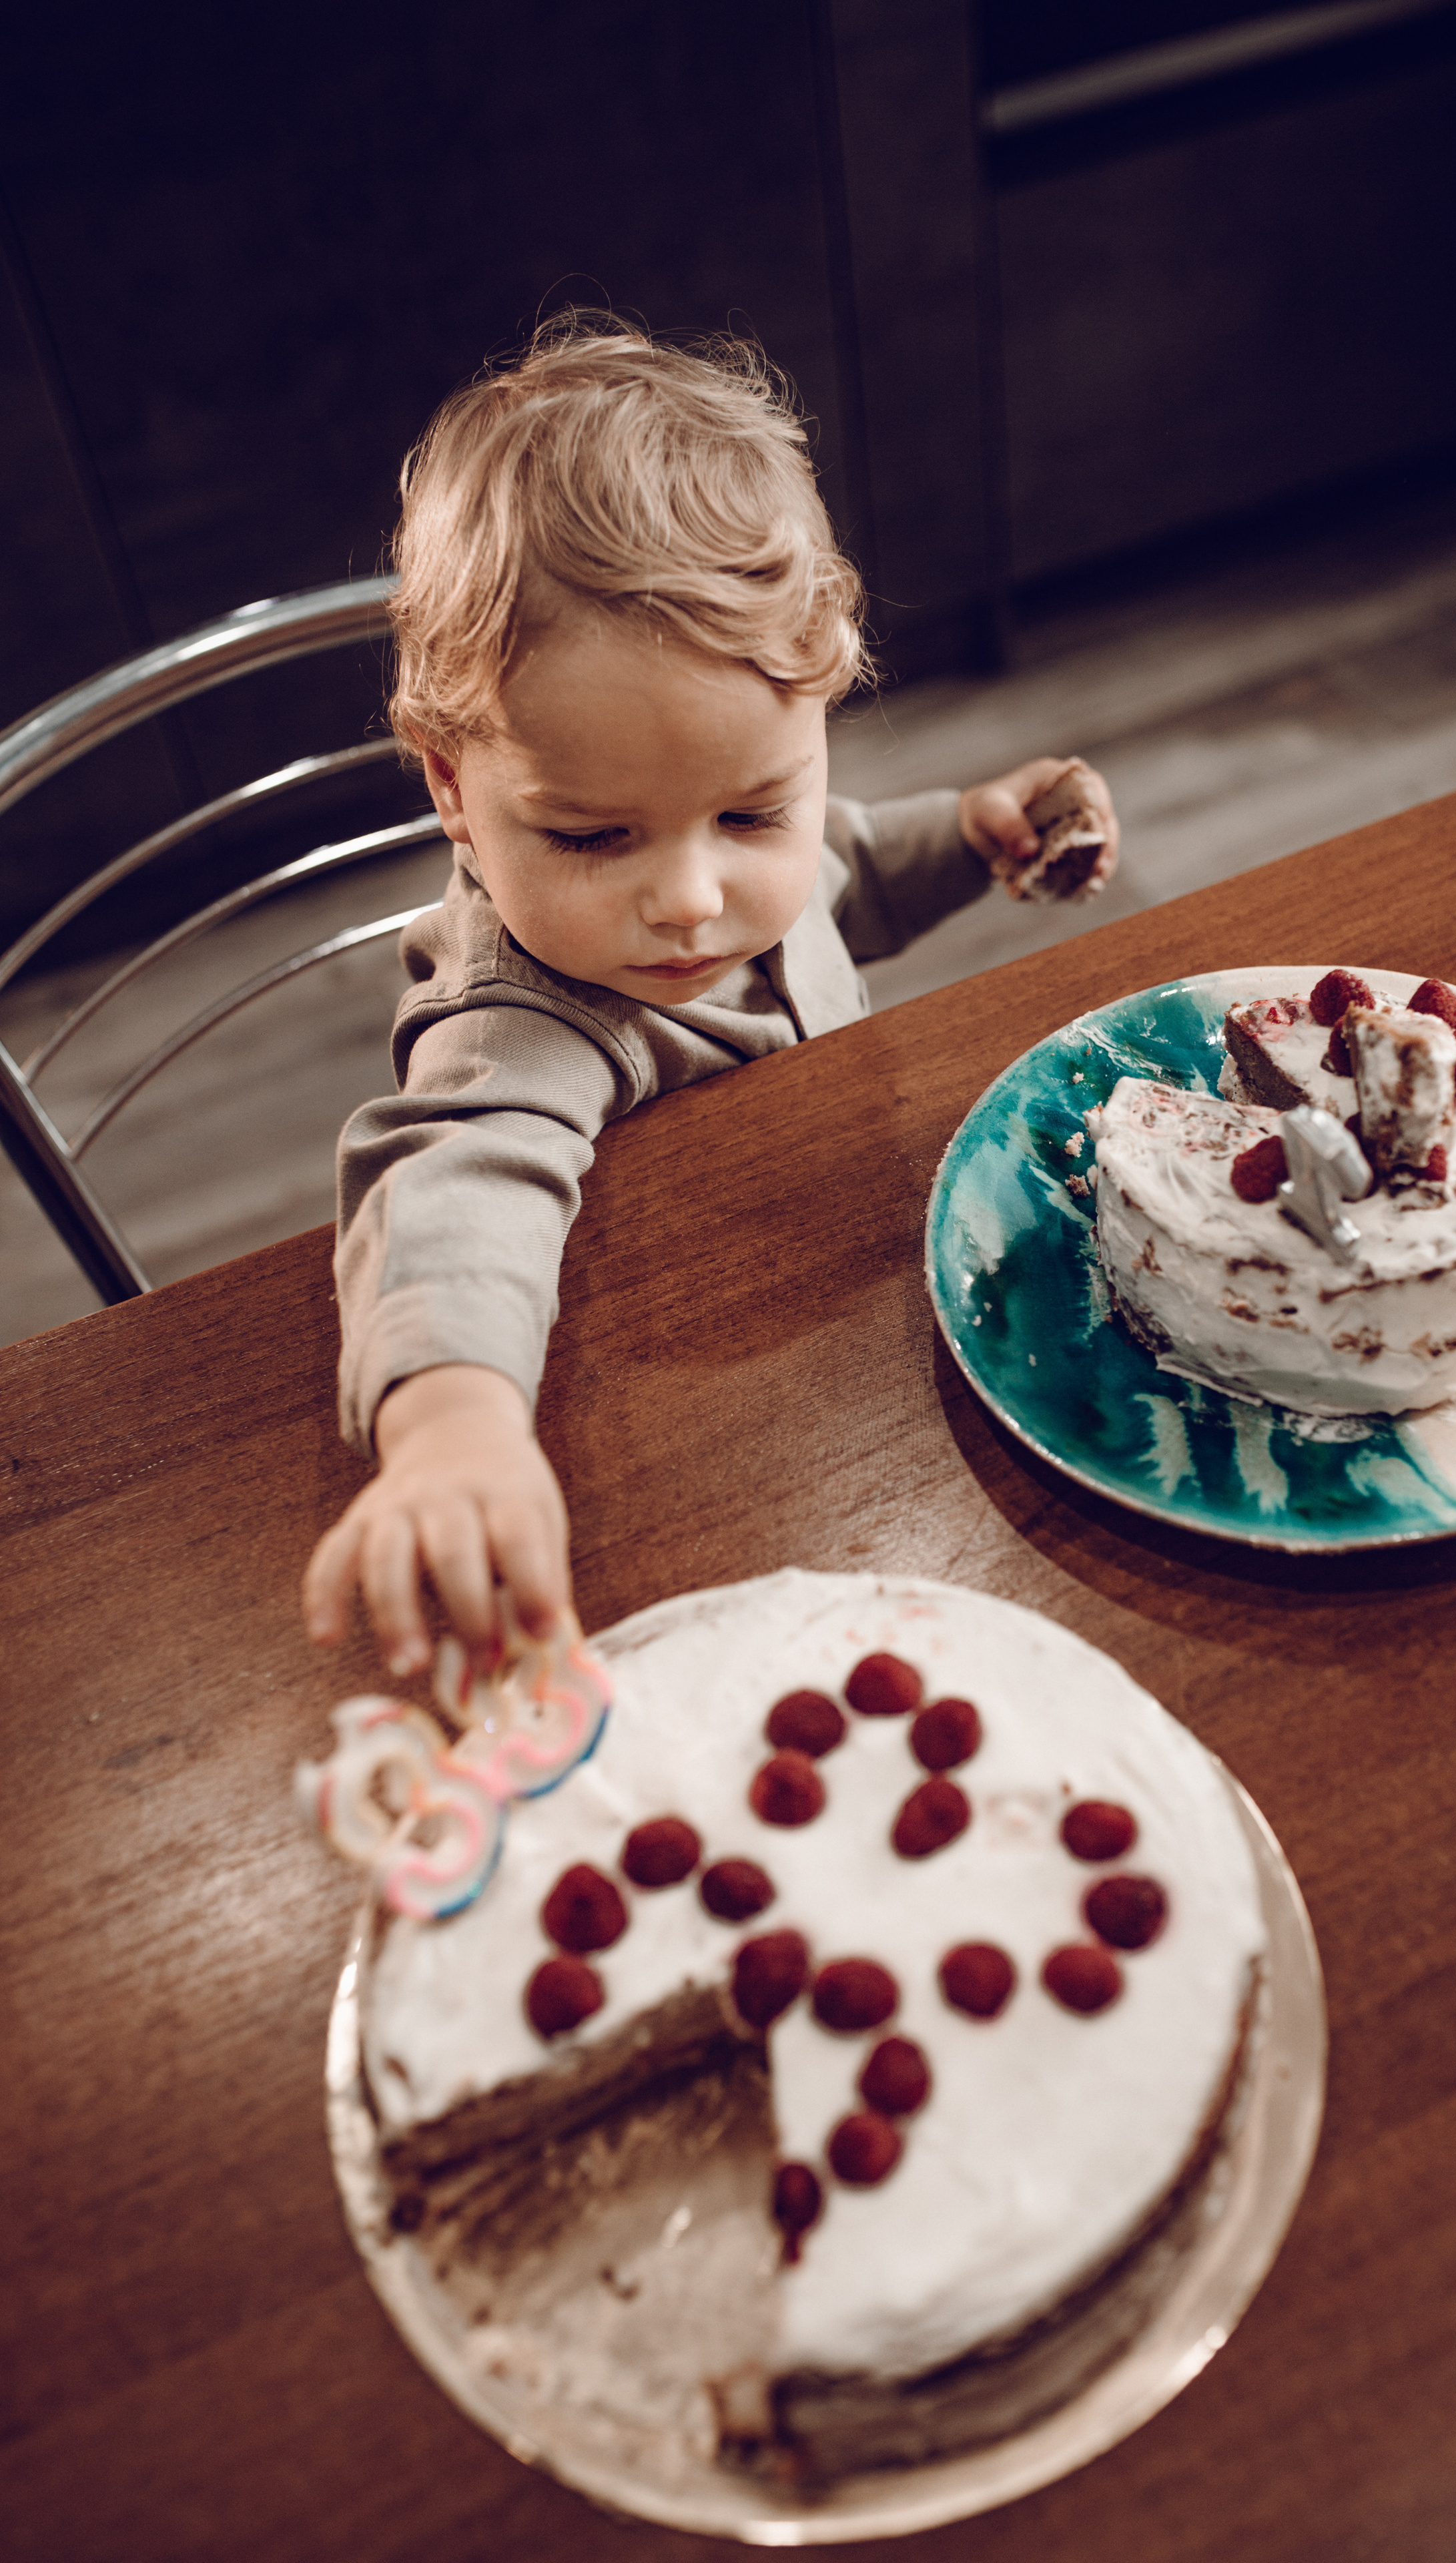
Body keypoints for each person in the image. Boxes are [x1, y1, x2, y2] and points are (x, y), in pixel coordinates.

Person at [302, 318, 1118, 1677]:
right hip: (668, 1421)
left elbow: (837, 865)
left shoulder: (740, 851)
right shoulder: (533, 1014)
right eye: (593, 838)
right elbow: (454, 1185)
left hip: (836, 1311)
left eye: (749, 810)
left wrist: (966, 837)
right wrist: (453, 1429)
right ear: (451, 787)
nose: (689, 897)